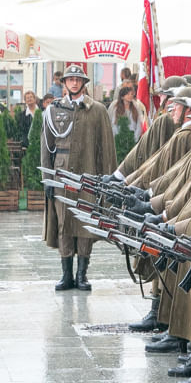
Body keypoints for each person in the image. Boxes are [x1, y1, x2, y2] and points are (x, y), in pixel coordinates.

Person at [41, 64, 117, 292]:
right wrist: (47, 177)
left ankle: (82, 274)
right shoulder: (53, 110)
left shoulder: (97, 110)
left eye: (78, 79)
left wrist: (108, 180)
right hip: (62, 174)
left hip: (88, 172)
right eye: (70, 79)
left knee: (85, 222)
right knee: (64, 222)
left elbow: (106, 147)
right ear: (63, 83)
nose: (74, 83)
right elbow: (46, 147)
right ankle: (66, 275)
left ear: (84, 82)